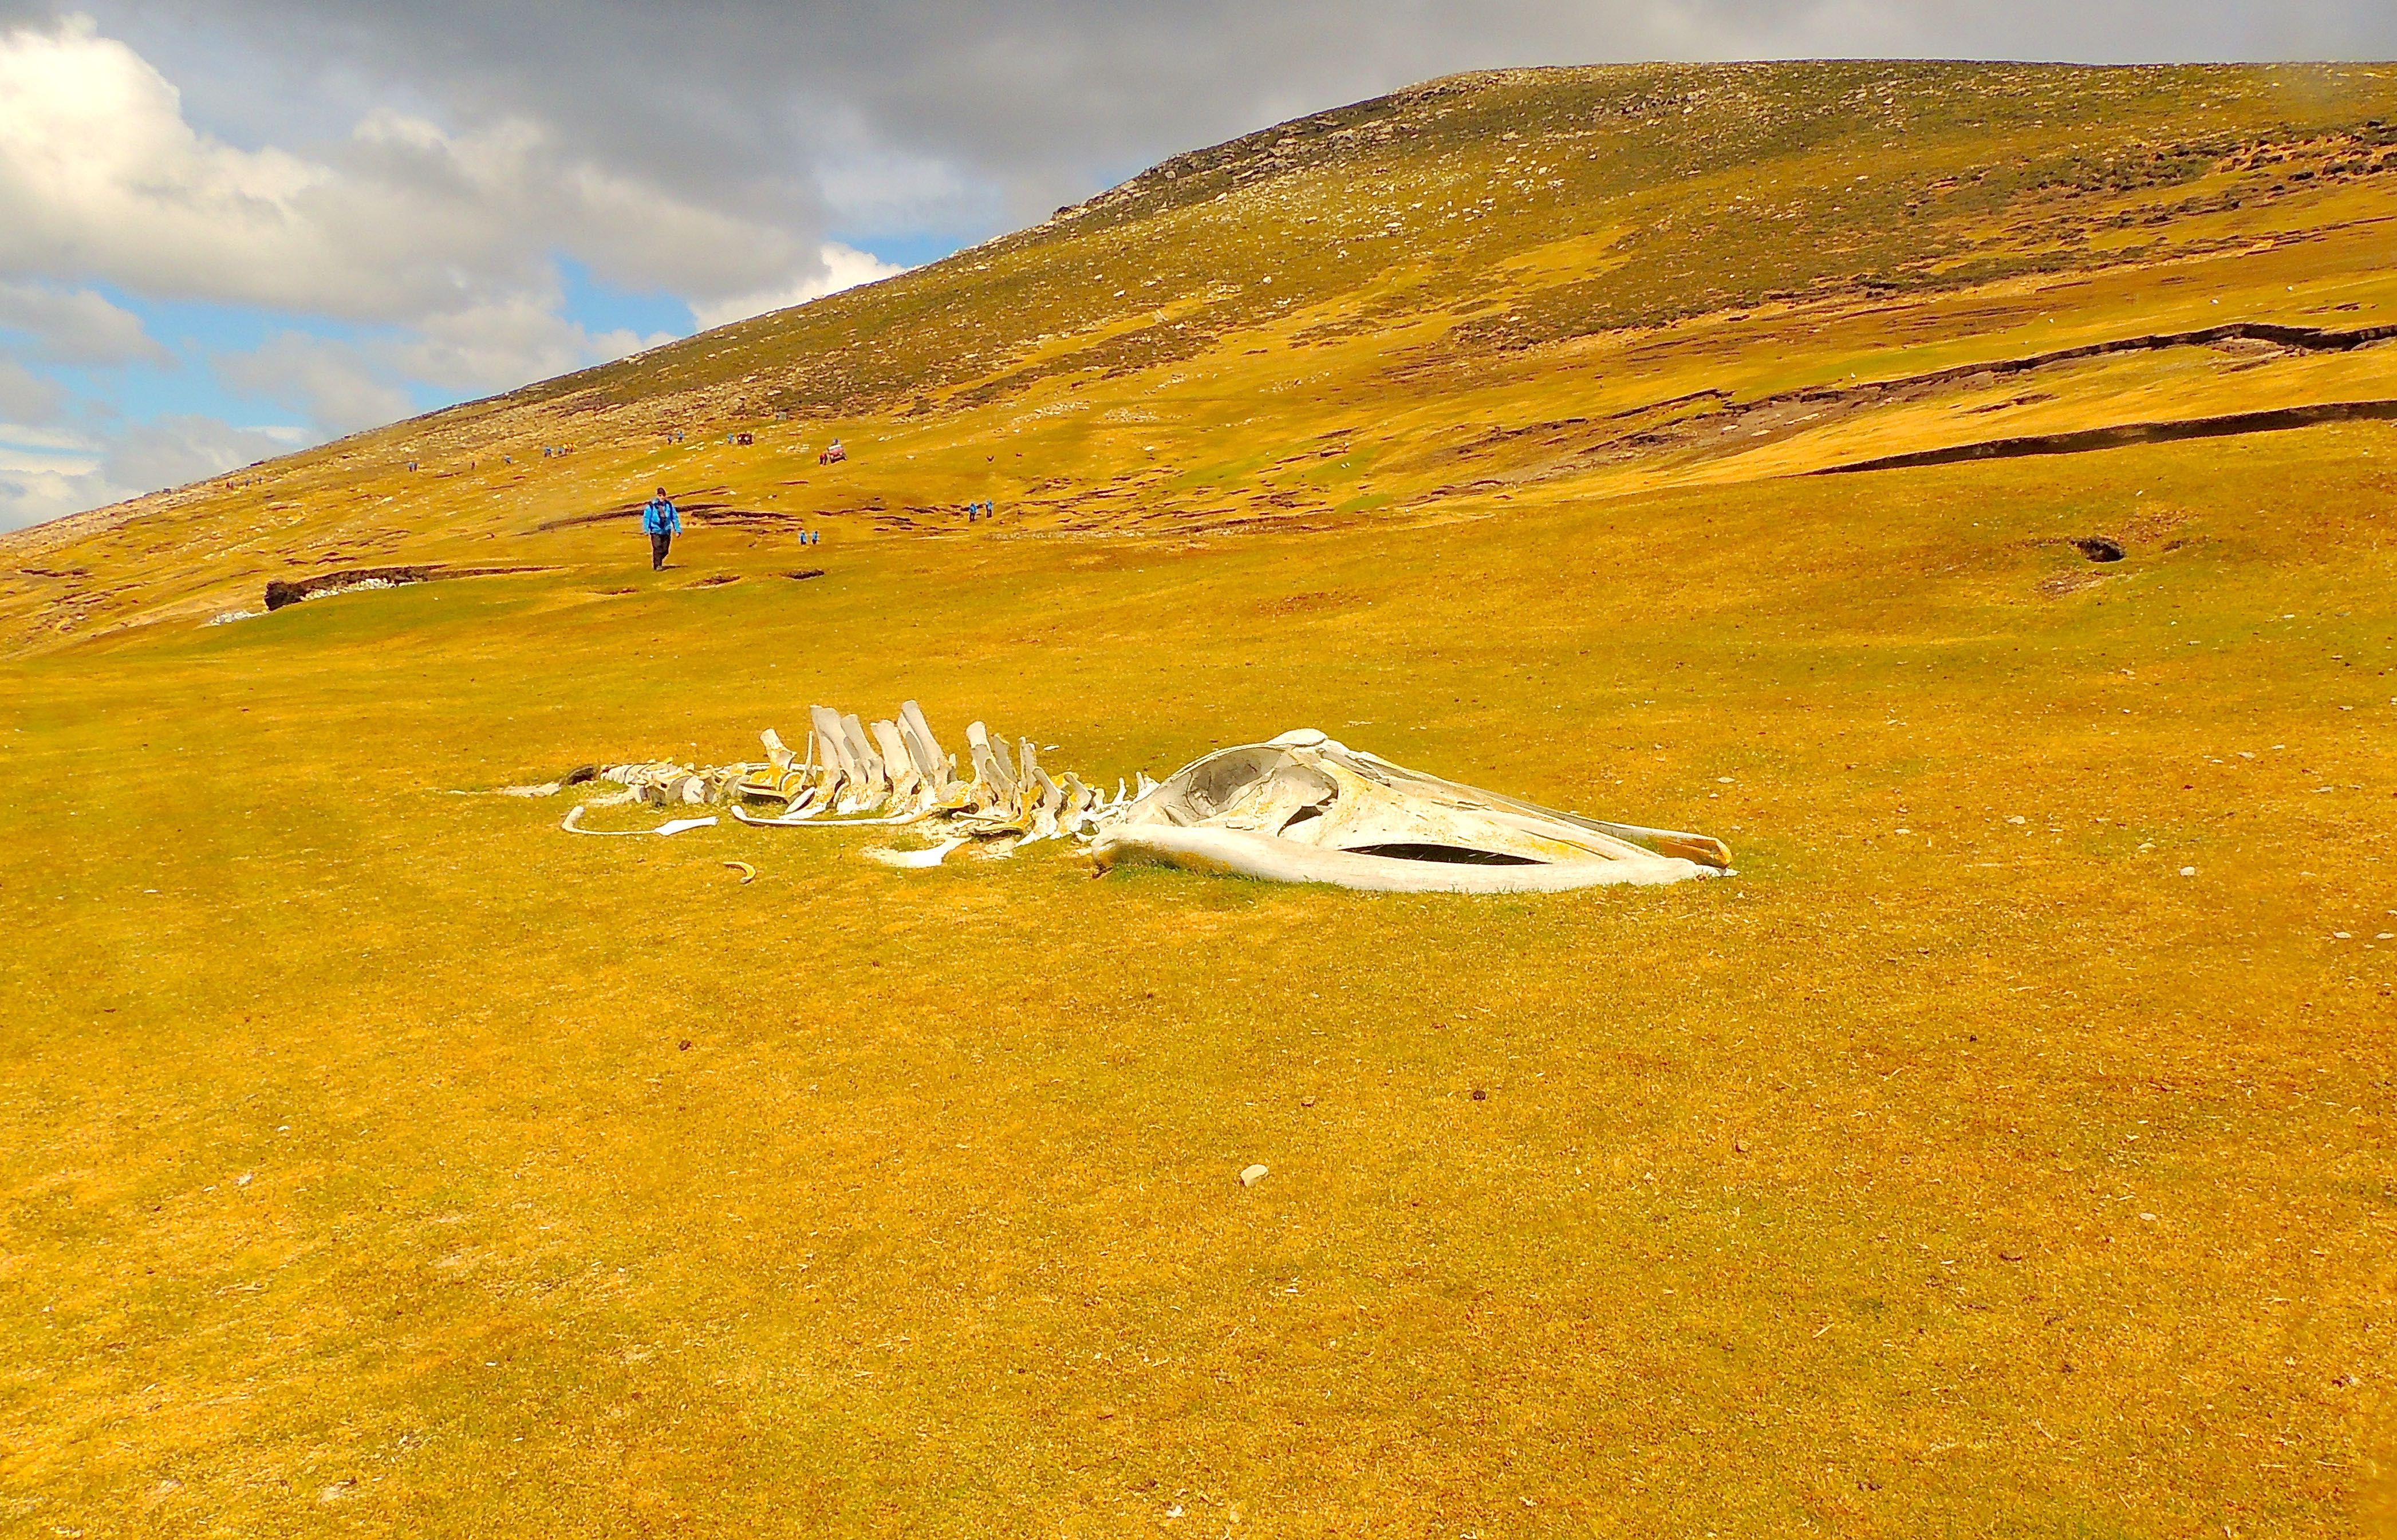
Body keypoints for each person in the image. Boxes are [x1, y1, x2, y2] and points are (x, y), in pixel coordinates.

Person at [642, 486, 680, 570]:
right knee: (657, 547)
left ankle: (657, 561)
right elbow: (647, 518)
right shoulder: (651, 506)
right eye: (660, 495)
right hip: (655, 530)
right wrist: (646, 529)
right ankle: (658, 565)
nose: (662, 497)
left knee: (665, 551)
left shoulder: (669, 505)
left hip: (666, 530)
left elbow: (674, 517)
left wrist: (678, 530)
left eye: (663, 495)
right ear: (657, 495)